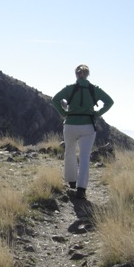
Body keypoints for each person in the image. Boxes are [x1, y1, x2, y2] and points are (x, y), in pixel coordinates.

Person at [51, 64, 114, 199]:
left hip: (70, 125)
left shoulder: (70, 89)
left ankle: (71, 181)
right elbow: (109, 102)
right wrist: (97, 113)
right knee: (85, 156)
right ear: (88, 75)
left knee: (70, 152)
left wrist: (64, 113)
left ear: (76, 75)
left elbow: (55, 100)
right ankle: (81, 189)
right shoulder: (94, 89)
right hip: (88, 126)